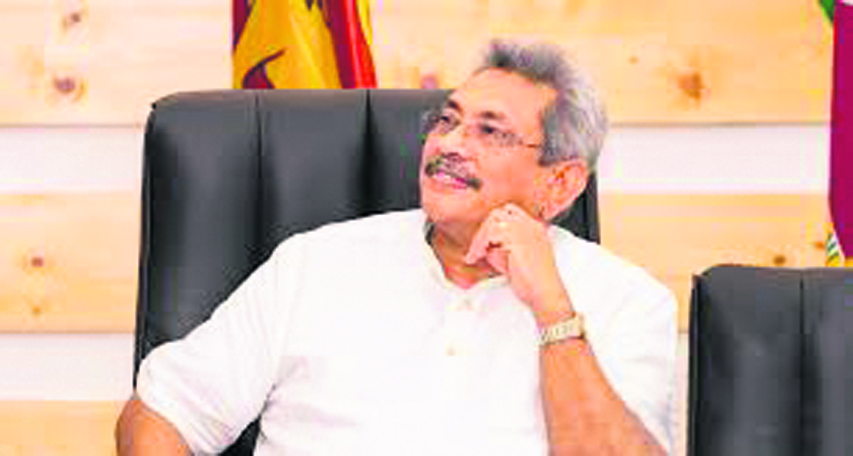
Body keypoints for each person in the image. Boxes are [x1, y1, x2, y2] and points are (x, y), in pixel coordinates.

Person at [116, 39, 676, 455]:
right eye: (447, 120)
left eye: (490, 131)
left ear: (560, 183)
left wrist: (553, 311)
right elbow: (162, 414)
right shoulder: (315, 264)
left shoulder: (626, 300)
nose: (451, 144)